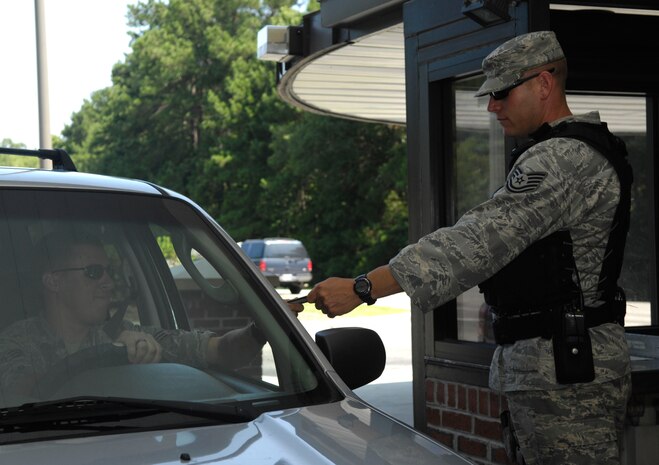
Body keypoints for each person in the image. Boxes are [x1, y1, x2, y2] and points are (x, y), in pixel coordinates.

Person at [305, 31, 632, 465]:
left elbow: (475, 242)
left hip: (567, 380)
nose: (492, 105)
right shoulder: (562, 152)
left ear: (544, 84)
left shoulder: (562, 159)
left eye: (501, 92)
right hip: (559, 371)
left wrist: (365, 287)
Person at [0, 231, 266, 401]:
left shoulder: (127, 334)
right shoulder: (15, 342)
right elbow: (23, 400)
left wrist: (261, 328)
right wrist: (113, 355)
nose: (108, 282)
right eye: (94, 272)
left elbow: (223, 351)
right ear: (54, 282)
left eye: (108, 271)